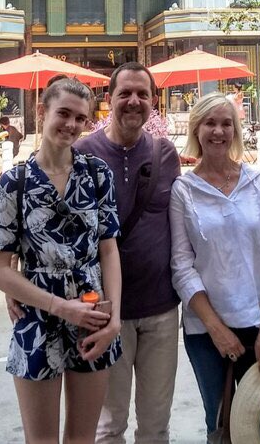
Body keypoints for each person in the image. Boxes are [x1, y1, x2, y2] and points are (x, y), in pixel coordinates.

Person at [0, 77, 123, 444]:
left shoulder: (97, 174)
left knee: (83, 438)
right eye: (63, 113)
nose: (72, 125)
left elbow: (109, 250)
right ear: (41, 111)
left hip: (92, 315)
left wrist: (115, 319)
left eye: (81, 118)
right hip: (37, 316)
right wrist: (62, 307)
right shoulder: (13, 184)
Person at [170, 92, 260, 443]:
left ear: (236, 131)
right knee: (221, 424)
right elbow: (181, 266)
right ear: (197, 129)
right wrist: (217, 329)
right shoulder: (183, 190)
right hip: (206, 332)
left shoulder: (257, 183)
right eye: (210, 123)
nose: (218, 131)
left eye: (226, 123)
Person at [74, 62, 182, 444]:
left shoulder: (165, 154)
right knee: (108, 427)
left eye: (143, 94)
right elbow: (50, 225)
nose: (134, 101)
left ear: (153, 101)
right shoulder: (81, 154)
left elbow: (185, 224)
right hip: (104, 314)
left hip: (161, 311)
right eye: (125, 93)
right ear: (109, 99)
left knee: (156, 427)